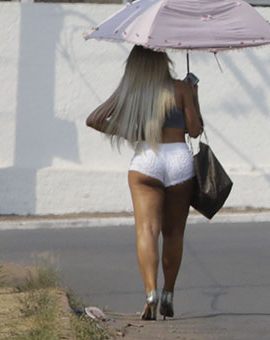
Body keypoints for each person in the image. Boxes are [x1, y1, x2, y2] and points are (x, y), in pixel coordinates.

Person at [86, 45, 203, 320]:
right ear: (163, 61)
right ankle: (168, 293)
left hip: (146, 159)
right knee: (173, 234)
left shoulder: (131, 90)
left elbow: (94, 119)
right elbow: (195, 131)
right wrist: (194, 95)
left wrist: (129, 131)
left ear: (135, 64)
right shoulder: (180, 88)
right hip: (178, 160)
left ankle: (150, 293)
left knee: (146, 231)